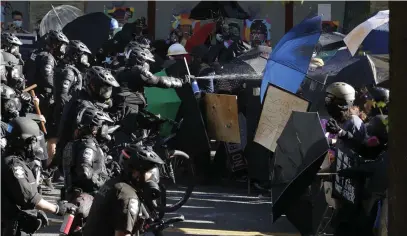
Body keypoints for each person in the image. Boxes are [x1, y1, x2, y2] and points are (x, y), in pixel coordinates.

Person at [1, 117, 76, 236]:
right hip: (11, 229)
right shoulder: (14, 167)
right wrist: (57, 209)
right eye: (35, 141)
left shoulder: (10, 160)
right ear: (27, 142)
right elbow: (31, 198)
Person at [82, 143, 164, 236]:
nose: (153, 178)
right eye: (149, 173)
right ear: (135, 173)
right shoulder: (128, 196)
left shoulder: (113, 183)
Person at [52, 66, 119, 169]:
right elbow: (81, 129)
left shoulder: (87, 98)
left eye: (108, 90)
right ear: (93, 85)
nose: (106, 93)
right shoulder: (83, 103)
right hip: (74, 151)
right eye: (104, 89)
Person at [47, 40, 92, 164]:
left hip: (67, 110)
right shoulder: (68, 72)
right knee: (59, 141)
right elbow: (62, 95)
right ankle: (49, 172)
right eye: (83, 55)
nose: (85, 59)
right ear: (75, 54)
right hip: (64, 111)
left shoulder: (72, 70)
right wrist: (65, 114)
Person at [62, 105, 113, 202]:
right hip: (88, 198)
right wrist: (103, 183)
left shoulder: (76, 143)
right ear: (95, 128)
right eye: (104, 126)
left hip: (74, 196)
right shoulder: (89, 145)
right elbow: (84, 171)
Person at [33, 30, 69, 121]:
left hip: (34, 93)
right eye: (62, 46)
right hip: (43, 96)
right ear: (55, 44)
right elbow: (48, 79)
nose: (63, 50)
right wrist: (61, 88)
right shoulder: (48, 58)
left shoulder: (36, 52)